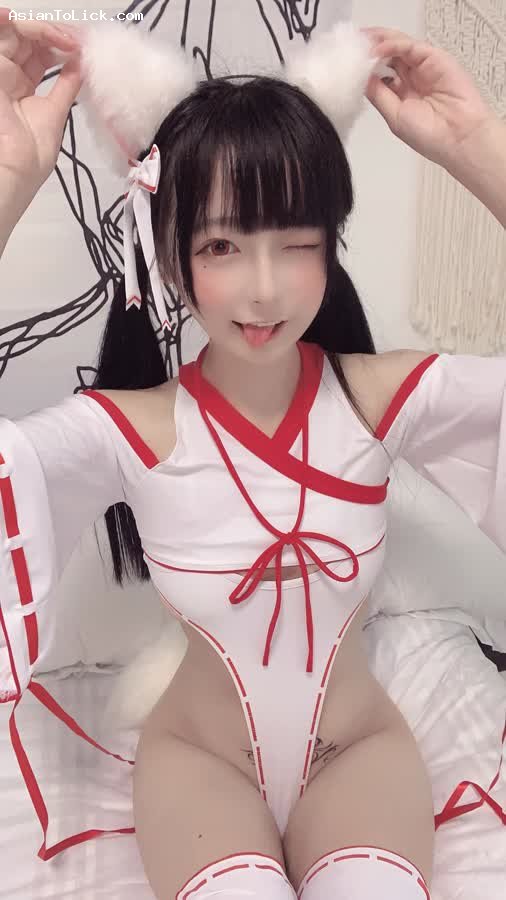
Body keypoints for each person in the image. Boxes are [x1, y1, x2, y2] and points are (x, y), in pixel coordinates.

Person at [0, 12, 504, 900]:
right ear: (171, 254)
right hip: (201, 766)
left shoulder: (379, 398)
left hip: (360, 757)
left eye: (297, 242)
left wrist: (479, 148)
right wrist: (7, 181)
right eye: (222, 245)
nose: (264, 288)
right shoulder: (129, 429)